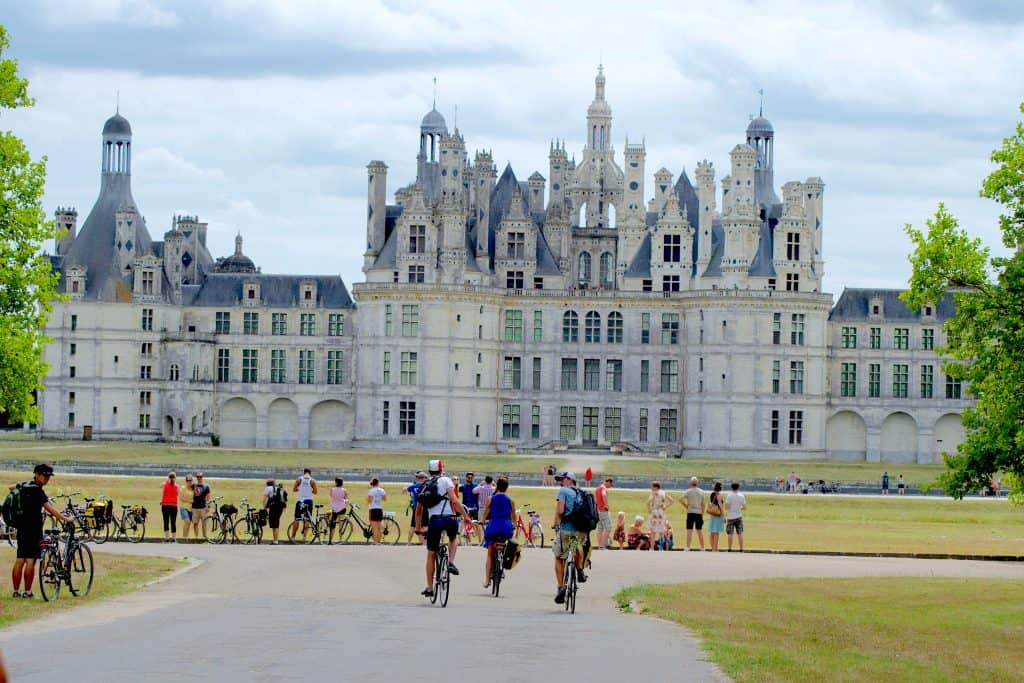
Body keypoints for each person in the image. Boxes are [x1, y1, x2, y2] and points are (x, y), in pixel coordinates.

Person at [10, 464, 76, 599]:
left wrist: (21, 486)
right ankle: (27, 592)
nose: (47, 479)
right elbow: (49, 509)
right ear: (37, 475)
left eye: (48, 476)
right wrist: (66, 518)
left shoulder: (25, 486)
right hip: (34, 529)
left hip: (21, 527)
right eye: (45, 476)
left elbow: (11, 488)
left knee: (20, 559)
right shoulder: (38, 491)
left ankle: (16, 591)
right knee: (30, 560)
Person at [414, 459, 465, 597]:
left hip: (434, 521)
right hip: (449, 519)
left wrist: (418, 528)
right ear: (442, 469)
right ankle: (450, 562)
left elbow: (418, 511)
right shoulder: (446, 481)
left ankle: (430, 588)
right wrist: (465, 516)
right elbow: (454, 500)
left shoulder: (425, 484)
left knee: (431, 554)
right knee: (453, 538)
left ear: (429, 471)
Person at [552, 471, 587, 604]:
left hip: (566, 530)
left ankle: (561, 588)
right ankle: (579, 570)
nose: (561, 482)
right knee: (575, 545)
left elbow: (560, 511)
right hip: (580, 530)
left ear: (569, 480)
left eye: (562, 479)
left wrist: (556, 524)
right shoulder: (581, 492)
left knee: (559, 557)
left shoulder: (563, 491)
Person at [482, 477, 515, 589]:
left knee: (490, 553)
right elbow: (513, 515)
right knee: (505, 544)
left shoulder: (490, 498)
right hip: (506, 526)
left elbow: (486, 512)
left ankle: (487, 580)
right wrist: (514, 524)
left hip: (494, 525)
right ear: (507, 488)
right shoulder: (510, 500)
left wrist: (482, 521)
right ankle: (502, 564)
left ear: (497, 487)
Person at [646, 481, 674, 551]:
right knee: (661, 530)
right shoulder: (664, 492)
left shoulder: (653, 493)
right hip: (661, 512)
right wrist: (665, 506)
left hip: (654, 512)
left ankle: (652, 548)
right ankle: (661, 548)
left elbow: (648, 502)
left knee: (653, 531)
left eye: (652, 487)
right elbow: (672, 501)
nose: (651, 488)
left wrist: (649, 509)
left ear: (655, 487)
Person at [683, 476, 706, 551]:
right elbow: (703, 504)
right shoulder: (701, 491)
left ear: (691, 483)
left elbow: (680, 499)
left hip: (690, 512)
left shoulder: (688, 491)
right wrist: (702, 513)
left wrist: (686, 506)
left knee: (689, 530)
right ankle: (702, 547)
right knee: (699, 530)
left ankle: (688, 547)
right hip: (698, 512)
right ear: (697, 483)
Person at [459, 472, 482, 543]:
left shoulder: (476, 486)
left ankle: (480, 541)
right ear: (466, 478)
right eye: (468, 477)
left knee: (476, 525)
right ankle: (469, 542)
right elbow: (456, 491)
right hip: (465, 508)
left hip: (474, 508)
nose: (470, 479)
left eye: (471, 477)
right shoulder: (463, 487)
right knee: (466, 525)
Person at [262, 479, 286, 544]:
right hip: (280, 508)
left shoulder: (268, 488)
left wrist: (264, 508)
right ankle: (275, 540)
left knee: (274, 525)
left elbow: (264, 499)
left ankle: (275, 541)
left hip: (274, 507)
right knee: (276, 523)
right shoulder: (278, 488)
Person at [406, 471, 427, 544]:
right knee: (423, 526)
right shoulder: (426, 486)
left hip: (416, 508)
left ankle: (409, 542)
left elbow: (406, 489)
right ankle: (423, 543)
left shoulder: (413, 486)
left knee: (413, 526)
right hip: (424, 508)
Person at [725, 481, 747, 552]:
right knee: (740, 533)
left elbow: (727, 507)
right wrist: (739, 507)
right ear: (738, 487)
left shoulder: (729, 496)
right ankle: (741, 549)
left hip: (731, 516)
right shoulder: (741, 496)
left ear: (731, 487)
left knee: (730, 533)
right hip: (739, 516)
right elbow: (744, 507)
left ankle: (729, 548)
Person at [595, 477, 614, 549]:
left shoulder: (598, 488)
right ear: (608, 482)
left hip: (598, 510)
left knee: (600, 528)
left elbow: (596, 500)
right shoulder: (603, 488)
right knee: (608, 528)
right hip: (603, 511)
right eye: (611, 485)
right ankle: (603, 545)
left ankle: (600, 545)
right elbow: (604, 494)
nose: (610, 487)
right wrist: (606, 505)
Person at [160, 471, 179, 543]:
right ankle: (173, 539)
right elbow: (177, 494)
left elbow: (160, 485)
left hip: (165, 506)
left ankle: (167, 538)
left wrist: (167, 480)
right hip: (173, 506)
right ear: (175, 478)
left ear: (168, 477)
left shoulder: (164, 484)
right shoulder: (177, 486)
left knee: (166, 522)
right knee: (173, 522)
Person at [191, 473, 211, 540]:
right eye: (198, 477)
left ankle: (205, 537)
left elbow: (208, 497)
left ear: (202, 477)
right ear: (196, 477)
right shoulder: (193, 485)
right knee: (195, 523)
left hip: (203, 508)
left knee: (204, 524)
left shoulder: (206, 486)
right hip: (195, 508)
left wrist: (208, 506)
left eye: (200, 477)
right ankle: (196, 537)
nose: (199, 478)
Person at [707, 481, 725, 551]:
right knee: (716, 532)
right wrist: (724, 516)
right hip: (717, 515)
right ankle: (715, 548)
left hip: (712, 515)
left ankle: (713, 548)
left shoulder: (712, 494)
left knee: (712, 532)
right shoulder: (719, 495)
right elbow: (721, 506)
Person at [367, 477, 386, 543]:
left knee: (374, 528)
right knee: (379, 527)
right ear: (378, 483)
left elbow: (369, 500)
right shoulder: (382, 490)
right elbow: (384, 499)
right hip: (379, 509)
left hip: (373, 509)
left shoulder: (371, 491)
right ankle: (379, 541)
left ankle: (375, 542)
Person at [179, 474, 194, 540]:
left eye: (190, 480)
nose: (189, 481)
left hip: (191, 509)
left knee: (189, 524)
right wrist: (190, 501)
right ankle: (184, 537)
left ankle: (186, 537)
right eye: (188, 480)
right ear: (186, 481)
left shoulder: (193, 489)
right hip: (184, 507)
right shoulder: (183, 488)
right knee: (187, 522)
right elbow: (181, 498)